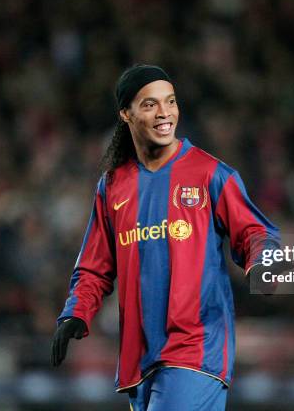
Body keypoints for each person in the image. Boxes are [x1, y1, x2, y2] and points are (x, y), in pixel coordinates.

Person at [51, 64, 280, 410]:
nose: (164, 113)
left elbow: (256, 232)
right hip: (138, 362)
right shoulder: (113, 187)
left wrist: (263, 263)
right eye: (150, 104)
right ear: (126, 114)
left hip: (196, 350)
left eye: (170, 101)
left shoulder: (210, 174)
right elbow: (94, 267)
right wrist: (75, 313)